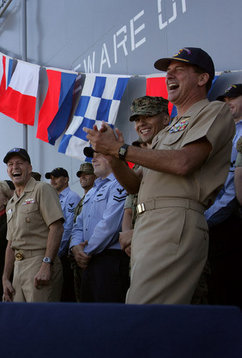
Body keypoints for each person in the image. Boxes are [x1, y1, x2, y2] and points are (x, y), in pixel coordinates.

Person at [86, 47, 235, 304]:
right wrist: (115, 158)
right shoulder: (168, 131)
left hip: (174, 220)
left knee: (146, 313)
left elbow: (183, 163)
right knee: (150, 312)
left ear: (202, 79)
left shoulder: (213, 111)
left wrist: (121, 149)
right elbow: (135, 185)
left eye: (179, 70)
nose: (169, 76)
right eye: (168, 72)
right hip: (148, 226)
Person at [2, 148, 64, 302]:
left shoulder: (42, 189)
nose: (14, 167)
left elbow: (56, 227)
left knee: (40, 321)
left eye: (19, 163)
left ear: (29, 168)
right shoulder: (10, 203)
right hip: (18, 267)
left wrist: (46, 264)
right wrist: (5, 278)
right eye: (10, 164)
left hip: (39, 263)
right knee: (20, 321)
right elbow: (10, 243)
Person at [70, 151, 128, 302]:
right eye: (93, 155)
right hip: (89, 260)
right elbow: (78, 224)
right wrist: (75, 246)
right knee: (88, 316)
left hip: (109, 261)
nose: (93, 159)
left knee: (108, 317)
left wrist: (85, 252)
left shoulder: (121, 183)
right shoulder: (92, 191)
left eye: (100, 155)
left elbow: (110, 226)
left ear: (114, 157)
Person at [203, 83, 242, 307]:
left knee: (227, 290)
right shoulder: (219, 134)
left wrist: (207, 218)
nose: (228, 104)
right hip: (210, 222)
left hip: (227, 222)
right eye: (224, 100)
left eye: (233, 98)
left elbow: (232, 188)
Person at [118, 96, 170, 257]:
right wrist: (127, 236)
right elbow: (129, 207)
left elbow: (169, 206)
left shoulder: (175, 152)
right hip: (139, 244)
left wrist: (136, 234)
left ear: (166, 119)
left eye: (148, 116)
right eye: (137, 119)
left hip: (167, 241)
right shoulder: (141, 165)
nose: (141, 124)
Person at [45, 167, 81, 301]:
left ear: (66, 180)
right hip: (53, 252)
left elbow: (68, 227)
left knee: (66, 293)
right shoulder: (53, 197)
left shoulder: (72, 197)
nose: (52, 180)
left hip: (63, 254)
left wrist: (56, 252)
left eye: (56, 177)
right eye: (51, 177)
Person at [70, 162, 96, 301]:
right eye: (80, 175)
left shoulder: (97, 196)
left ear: (95, 176)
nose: (82, 177)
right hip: (77, 256)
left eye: (87, 174)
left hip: (90, 256)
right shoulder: (82, 200)